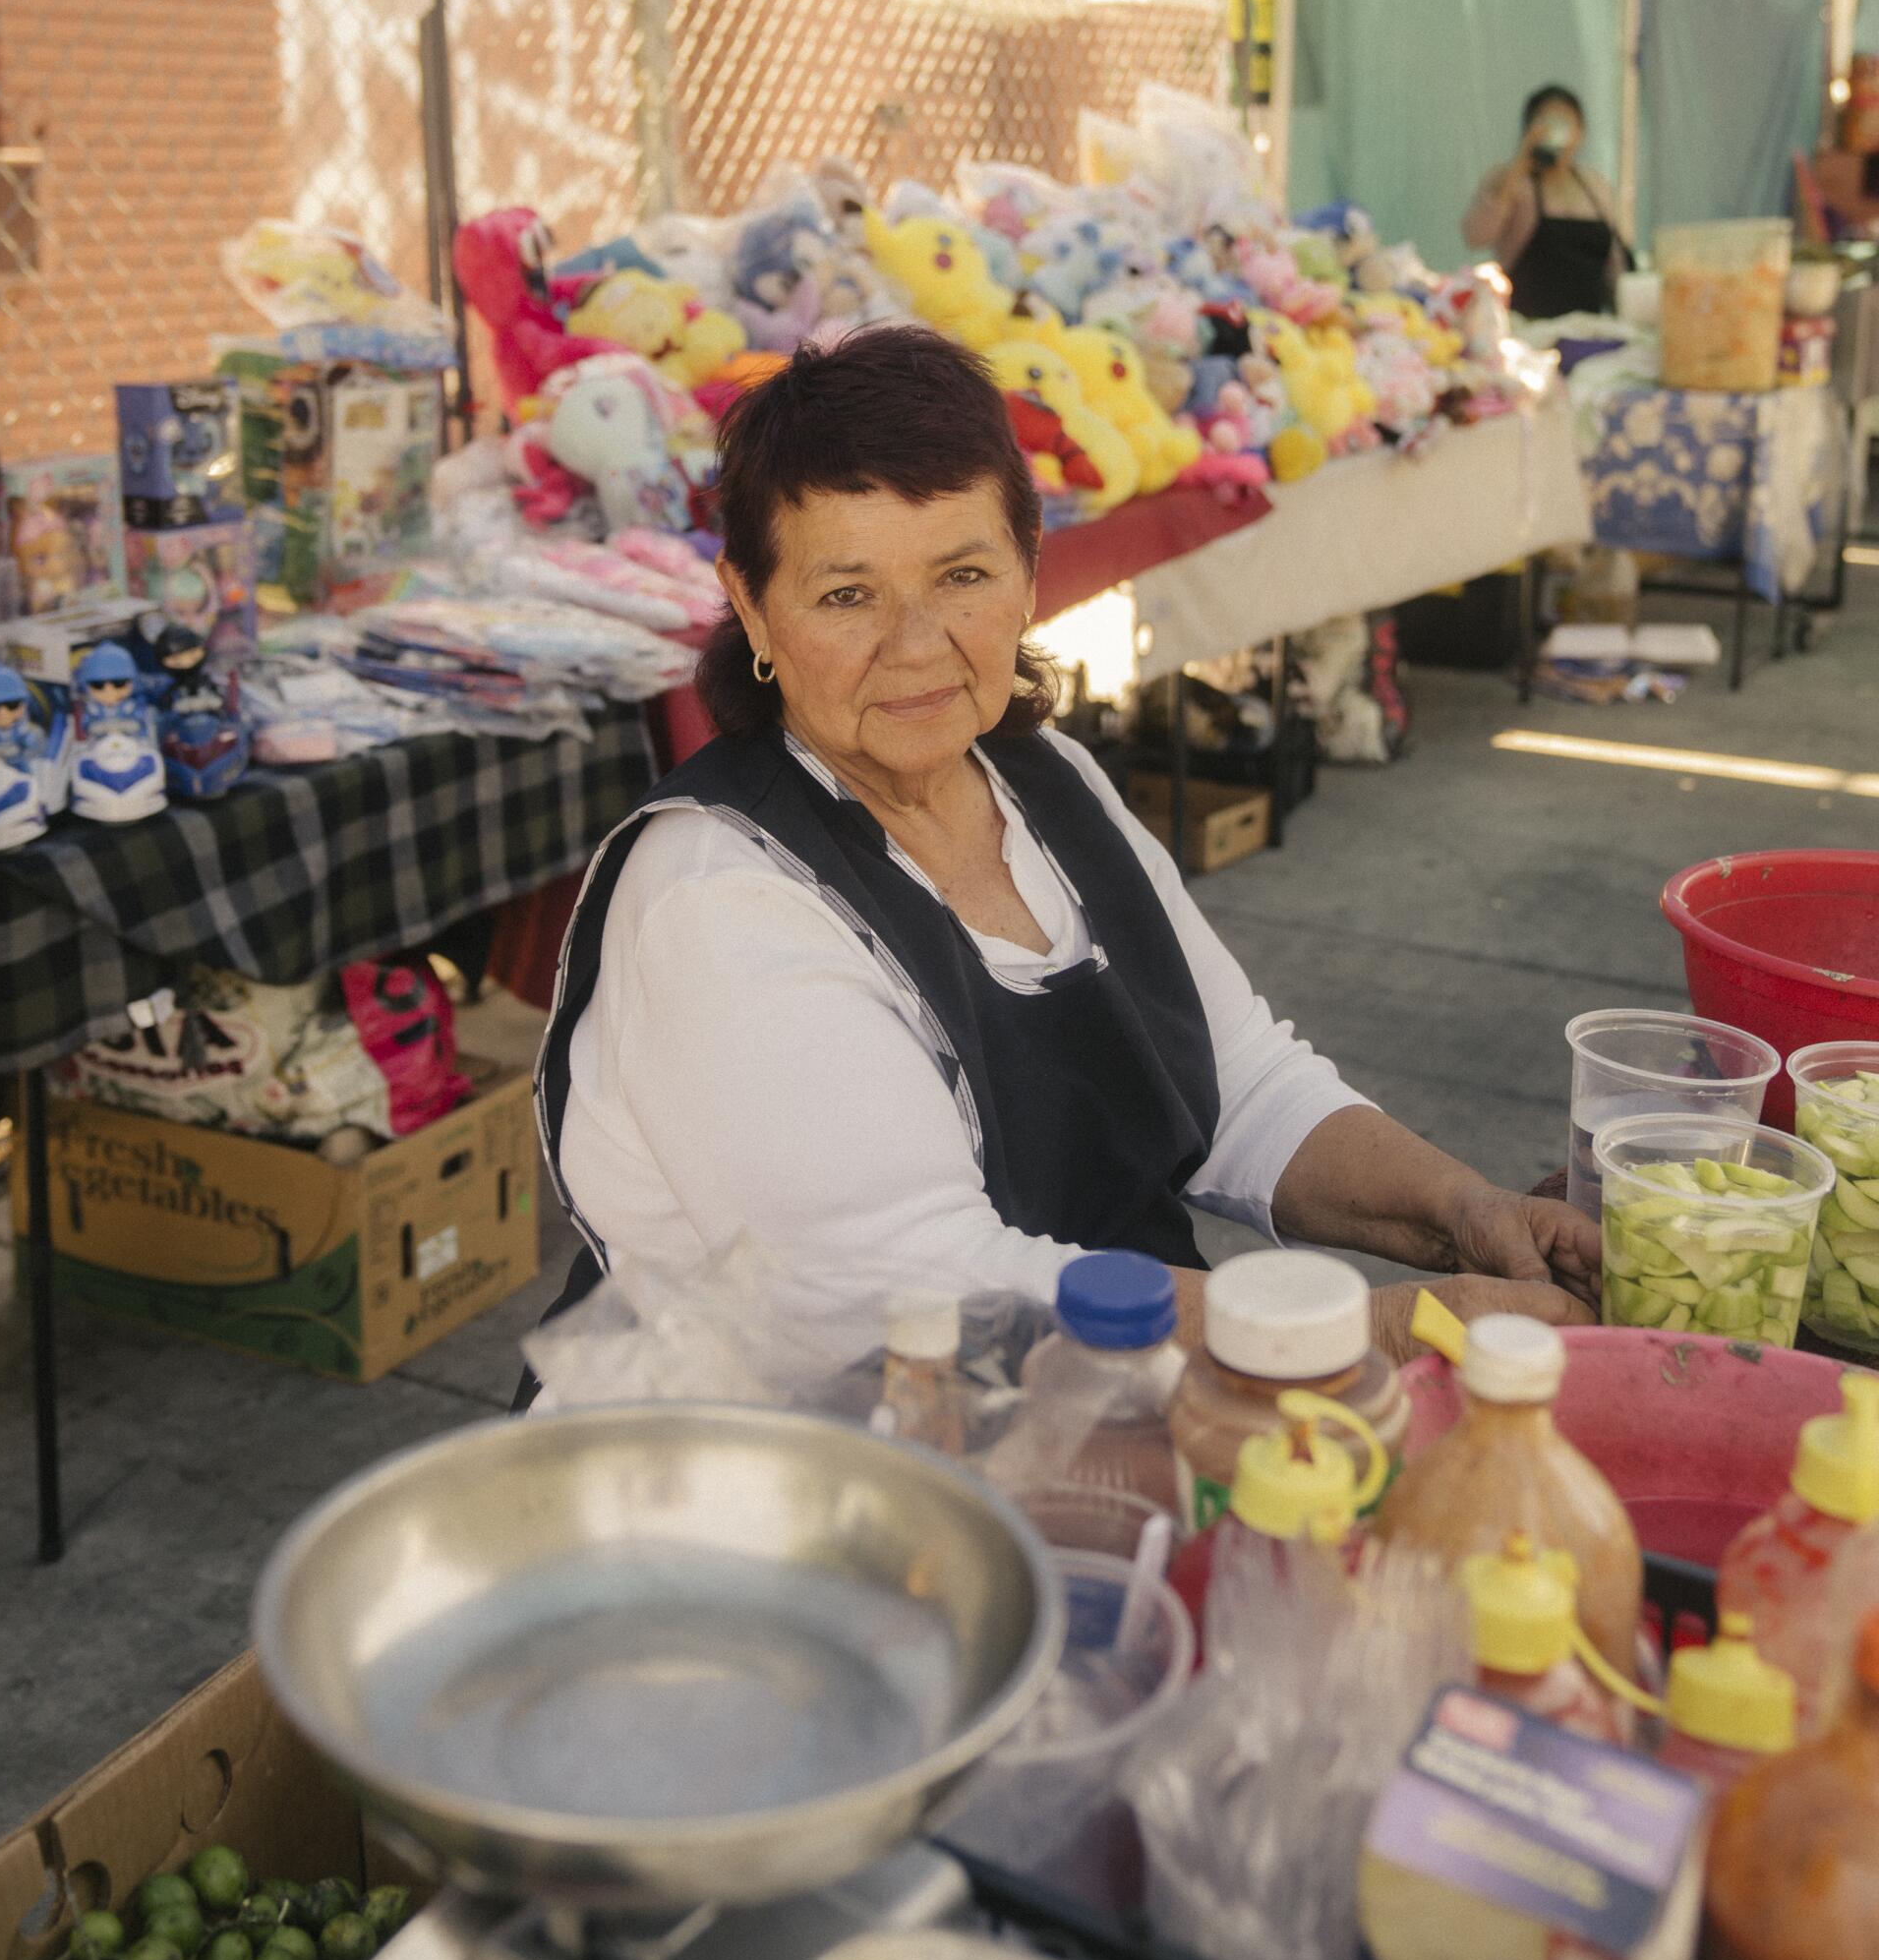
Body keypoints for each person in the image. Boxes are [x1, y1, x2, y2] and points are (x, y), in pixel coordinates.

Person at [524, 326, 1599, 1385]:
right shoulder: (716, 899)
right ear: (752, 608)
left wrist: (1464, 1214)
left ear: (1029, 571)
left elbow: (1235, 1086)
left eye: (961, 575)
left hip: (1064, 1423)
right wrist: (1374, 1329)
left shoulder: (1049, 784)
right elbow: (913, 1292)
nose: (915, 643)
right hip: (768, 1489)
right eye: (845, 594)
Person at [1463, 85, 1629, 321]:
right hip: (1526, 326)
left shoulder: (1594, 185)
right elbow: (1476, 236)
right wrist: (1520, 164)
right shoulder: (1513, 182)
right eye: (1546, 123)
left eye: (1565, 124)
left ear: (1580, 132)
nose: (1556, 133)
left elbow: (1615, 258)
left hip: (1587, 325)